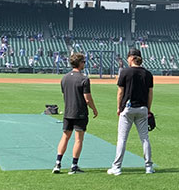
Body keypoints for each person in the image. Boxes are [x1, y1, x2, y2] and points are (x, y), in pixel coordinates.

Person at [108, 48, 154, 176]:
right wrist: (148, 108)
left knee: (122, 139)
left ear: (132, 58)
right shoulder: (148, 74)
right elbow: (150, 93)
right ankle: (149, 167)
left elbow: (120, 92)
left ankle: (117, 167)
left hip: (127, 108)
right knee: (145, 138)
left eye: (128, 57)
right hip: (143, 108)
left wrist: (118, 107)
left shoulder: (125, 72)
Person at [53, 53, 98, 174]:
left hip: (68, 112)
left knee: (65, 137)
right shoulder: (84, 78)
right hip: (80, 113)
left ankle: (57, 163)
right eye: (83, 61)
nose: (84, 63)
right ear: (80, 63)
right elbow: (87, 98)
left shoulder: (65, 78)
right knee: (78, 139)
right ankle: (74, 165)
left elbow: (64, 95)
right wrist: (94, 109)